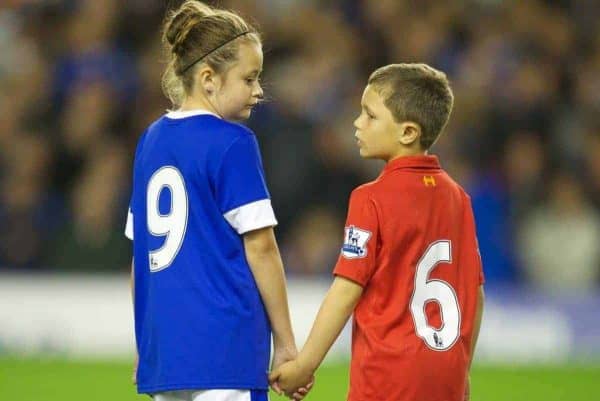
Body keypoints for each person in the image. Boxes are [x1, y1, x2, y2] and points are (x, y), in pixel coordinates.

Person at [270, 63, 485, 401]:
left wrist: (304, 365)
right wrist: (462, 366)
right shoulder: (459, 198)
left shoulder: (370, 198)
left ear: (408, 132)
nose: (357, 123)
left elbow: (346, 291)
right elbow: (474, 291)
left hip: (388, 377)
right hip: (446, 374)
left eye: (370, 115)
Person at [124, 2, 307, 400]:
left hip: (167, 356)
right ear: (209, 78)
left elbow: (142, 258)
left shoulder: (151, 141)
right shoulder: (233, 143)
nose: (259, 90)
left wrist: (146, 344)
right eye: (249, 78)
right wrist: (287, 344)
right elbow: (261, 248)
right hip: (227, 351)